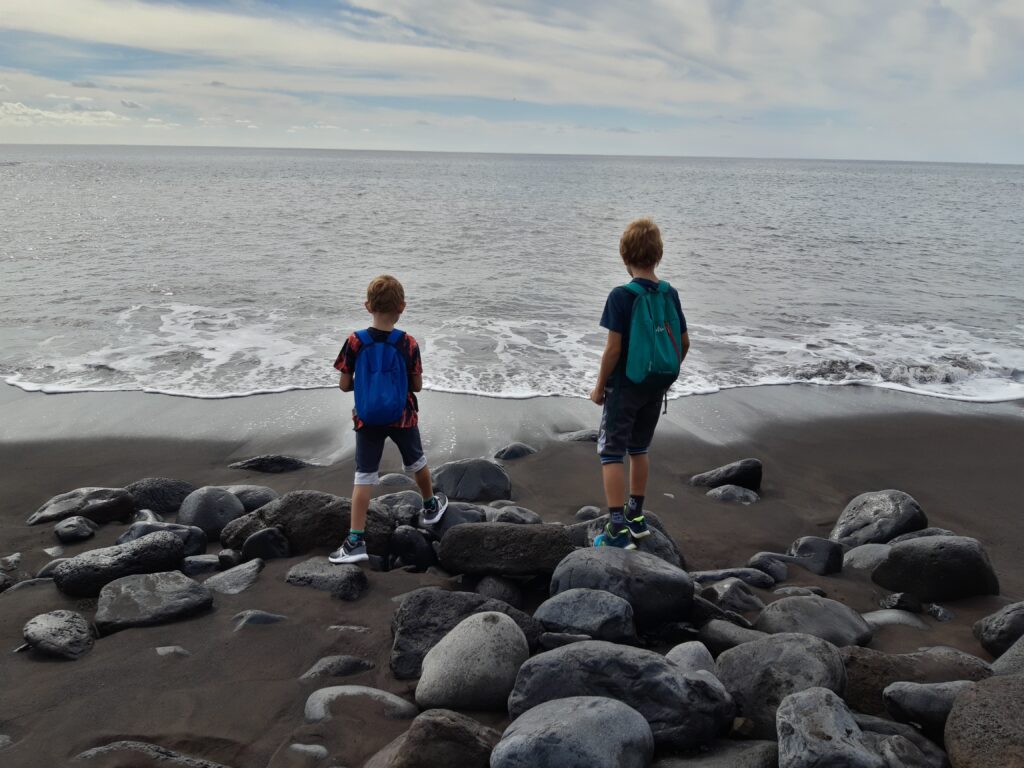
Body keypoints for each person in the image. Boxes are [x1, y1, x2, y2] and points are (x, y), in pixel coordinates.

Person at [329, 274, 447, 564]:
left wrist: (369, 385)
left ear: (367, 306)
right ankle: (431, 506)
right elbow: (416, 385)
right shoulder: (407, 343)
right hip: (402, 414)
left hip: (367, 418)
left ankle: (356, 541)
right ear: (402, 307)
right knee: (417, 461)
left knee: (364, 476)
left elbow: (344, 385)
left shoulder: (355, 341)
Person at [590, 218, 689, 549]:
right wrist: (662, 372)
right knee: (639, 449)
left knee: (611, 452)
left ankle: (616, 528)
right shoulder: (668, 293)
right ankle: (636, 515)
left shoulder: (621, 296)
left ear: (624, 255)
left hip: (625, 386)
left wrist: (599, 386)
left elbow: (613, 349)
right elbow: (684, 342)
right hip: (656, 385)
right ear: (658, 254)